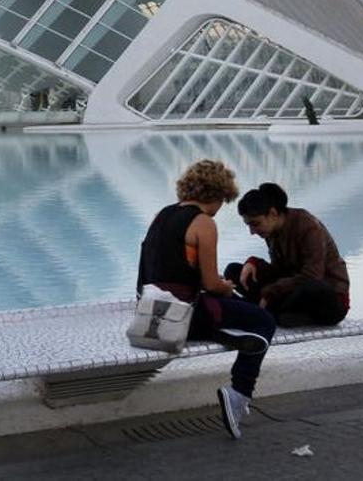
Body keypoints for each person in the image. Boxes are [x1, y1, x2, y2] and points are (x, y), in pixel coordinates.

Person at [137, 159, 276, 440]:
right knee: (263, 320)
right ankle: (238, 394)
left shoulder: (161, 215)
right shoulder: (203, 223)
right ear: (216, 194)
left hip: (151, 311)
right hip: (185, 316)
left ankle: (226, 333)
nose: (220, 208)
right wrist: (226, 287)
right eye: (223, 200)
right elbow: (211, 283)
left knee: (239, 314)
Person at [229, 183, 350, 327]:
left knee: (312, 287)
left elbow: (312, 276)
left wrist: (270, 291)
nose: (252, 231)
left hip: (328, 298)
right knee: (233, 271)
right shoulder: (271, 231)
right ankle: (273, 311)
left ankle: (270, 310)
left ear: (273, 213)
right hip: (293, 289)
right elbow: (280, 271)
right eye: (249, 225)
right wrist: (254, 263)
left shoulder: (308, 227)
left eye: (255, 224)